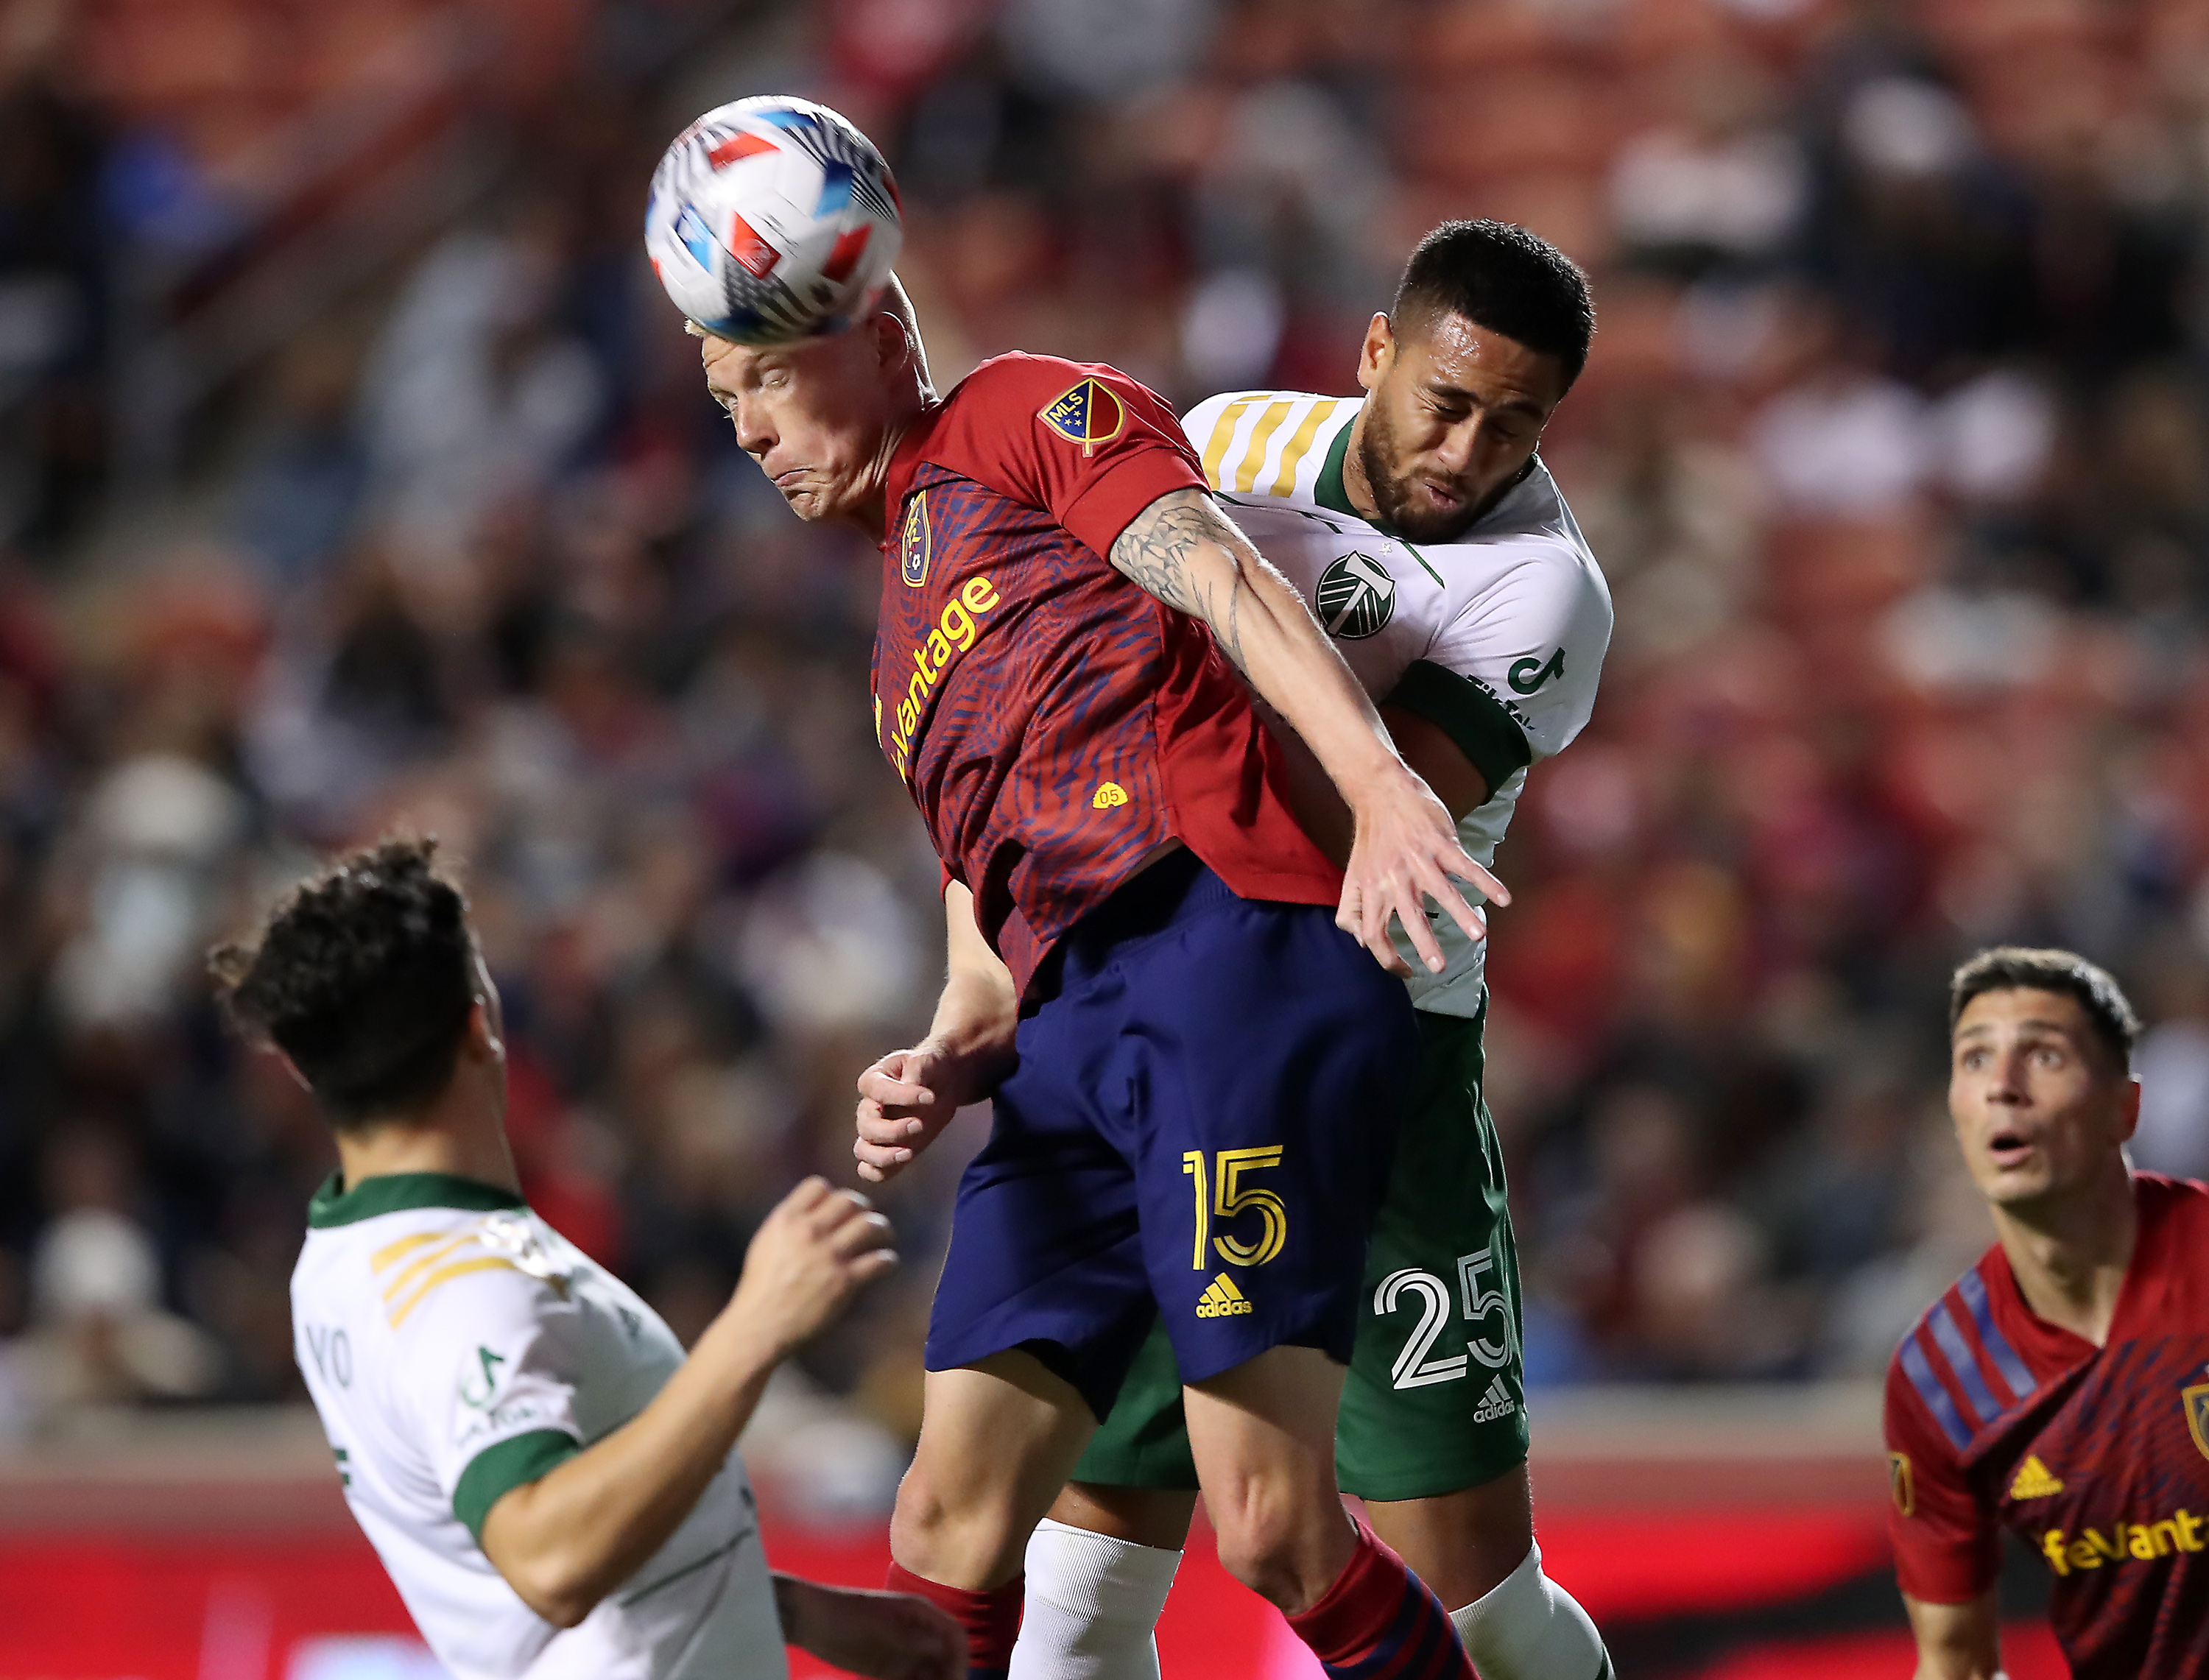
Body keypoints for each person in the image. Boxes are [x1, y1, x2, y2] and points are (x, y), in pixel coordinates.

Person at [695, 216, 1496, 1676]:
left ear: (878, 344)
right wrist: (946, 1056)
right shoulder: (892, 667)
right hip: (1067, 1049)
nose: (746, 427)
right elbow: (985, 951)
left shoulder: (1020, 412)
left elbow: (1221, 575)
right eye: (720, 397)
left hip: (1228, 955)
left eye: (761, 376)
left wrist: (1379, 785)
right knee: (942, 1516)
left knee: (1270, 1523)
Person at [1005, 219, 1618, 1680]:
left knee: (1485, 1597)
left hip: (1377, 1063)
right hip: (1175, 1042)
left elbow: (1350, 825)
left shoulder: (1542, 592)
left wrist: (1189, 656)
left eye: (1515, 423)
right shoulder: (1230, 437)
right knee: (1081, 1587)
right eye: (1445, 404)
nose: (1470, 452)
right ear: (1372, 357)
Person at [212, 839, 962, 1680]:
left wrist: (776, 1602)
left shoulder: (345, 1250)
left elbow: (527, 1557)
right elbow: (551, 1559)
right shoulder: (469, 1287)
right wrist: (756, 1326)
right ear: (480, 1024)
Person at [1888, 947, 2209, 1679]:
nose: (2005, 1086)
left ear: (2123, 1108)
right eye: (1976, 1060)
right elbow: (1956, 1663)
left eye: (2045, 1056)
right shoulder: (1939, 1373)